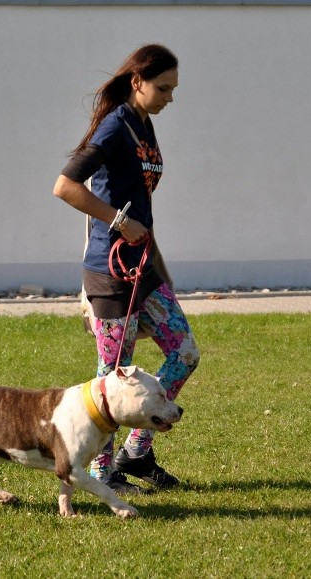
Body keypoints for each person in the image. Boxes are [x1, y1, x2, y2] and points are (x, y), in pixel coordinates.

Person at [53, 44, 199, 494]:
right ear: (138, 82)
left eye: (173, 88)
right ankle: (101, 471)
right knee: (114, 377)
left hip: (145, 270)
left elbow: (143, 201)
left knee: (186, 352)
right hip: (111, 275)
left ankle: (137, 449)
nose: (170, 97)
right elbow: (65, 186)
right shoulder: (115, 126)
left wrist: (161, 268)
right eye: (163, 87)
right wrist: (117, 220)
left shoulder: (144, 124)